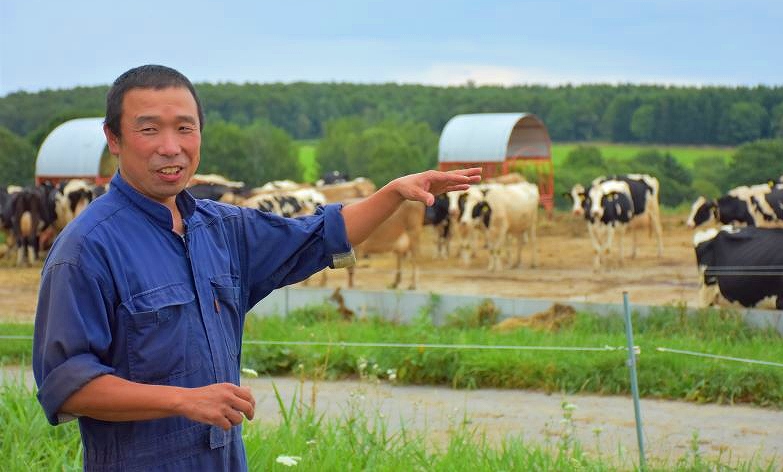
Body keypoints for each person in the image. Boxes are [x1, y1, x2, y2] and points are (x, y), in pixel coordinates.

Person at [32, 64, 481, 471]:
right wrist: (184, 401)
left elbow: (319, 236)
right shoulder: (86, 249)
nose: (171, 147)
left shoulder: (223, 228)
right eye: (149, 129)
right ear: (114, 138)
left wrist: (393, 193)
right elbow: (67, 384)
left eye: (185, 129)